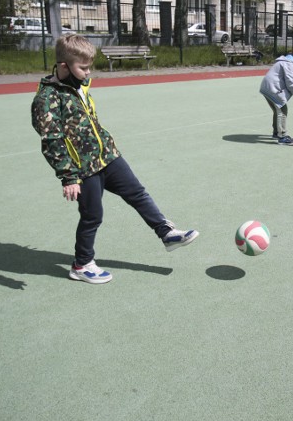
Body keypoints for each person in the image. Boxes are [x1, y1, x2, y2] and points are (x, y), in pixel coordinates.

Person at [31, 34, 198, 285]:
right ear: (64, 66)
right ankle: (81, 264)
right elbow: (51, 141)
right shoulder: (47, 99)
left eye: (90, 67)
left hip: (107, 155)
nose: (88, 73)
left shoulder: (79, 85)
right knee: (92, 216)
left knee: (138, 193)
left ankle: (166, 233)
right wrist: (68, 177)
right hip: (83, 168)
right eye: (83, 68)